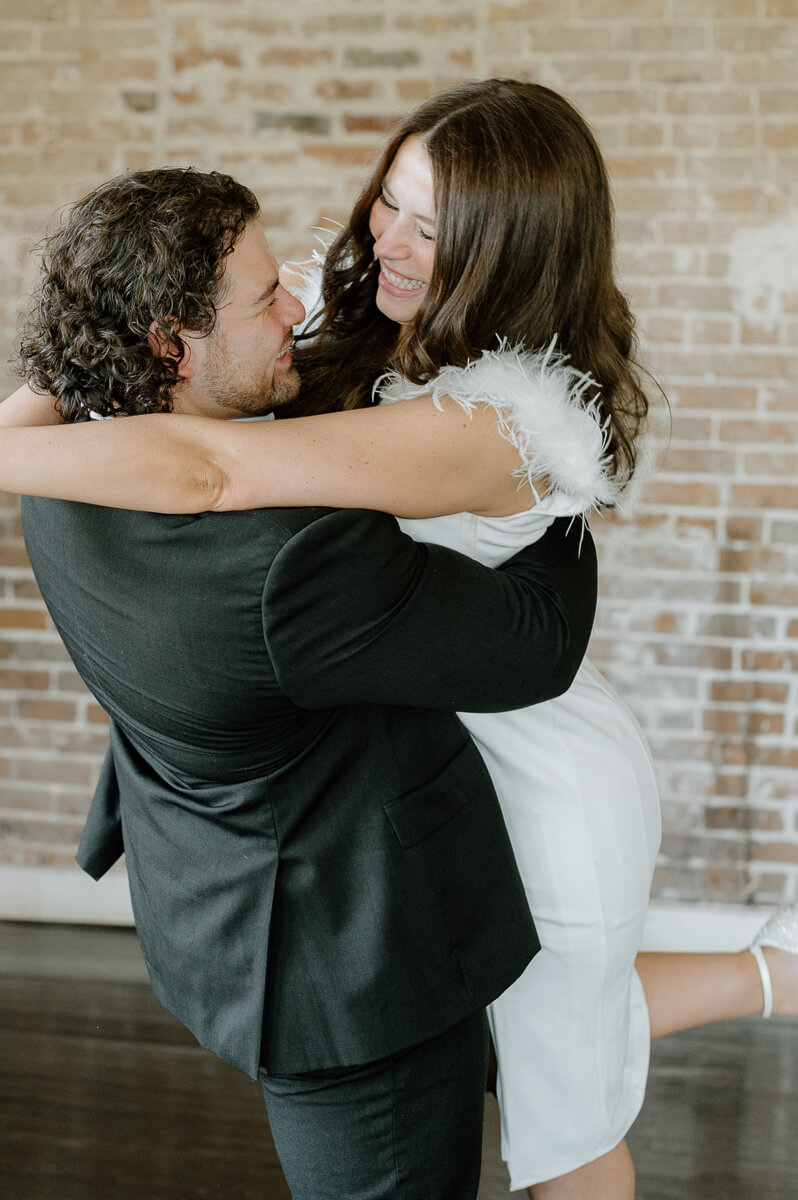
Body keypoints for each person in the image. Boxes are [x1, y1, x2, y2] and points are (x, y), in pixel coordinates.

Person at [4, 80, 798, 1200]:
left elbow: (217, 469)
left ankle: (770, 976)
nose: (384, 237)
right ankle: (774, 973)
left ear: (506, 249)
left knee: (564, 1114)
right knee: (541, 1033)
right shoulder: (362, 316)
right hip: (423, 735)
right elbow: (128, 369)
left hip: (534, 759)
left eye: (432, 227)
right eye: (390, 198)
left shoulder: (500, 420)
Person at [5, 165, 599, 1200]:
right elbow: (537, 645)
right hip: (350, 976)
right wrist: (549, 479)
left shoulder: (53, 461)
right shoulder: (297, 567)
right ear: (169, 345)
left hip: (210, 886)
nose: (298, 302)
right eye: (264, 296)